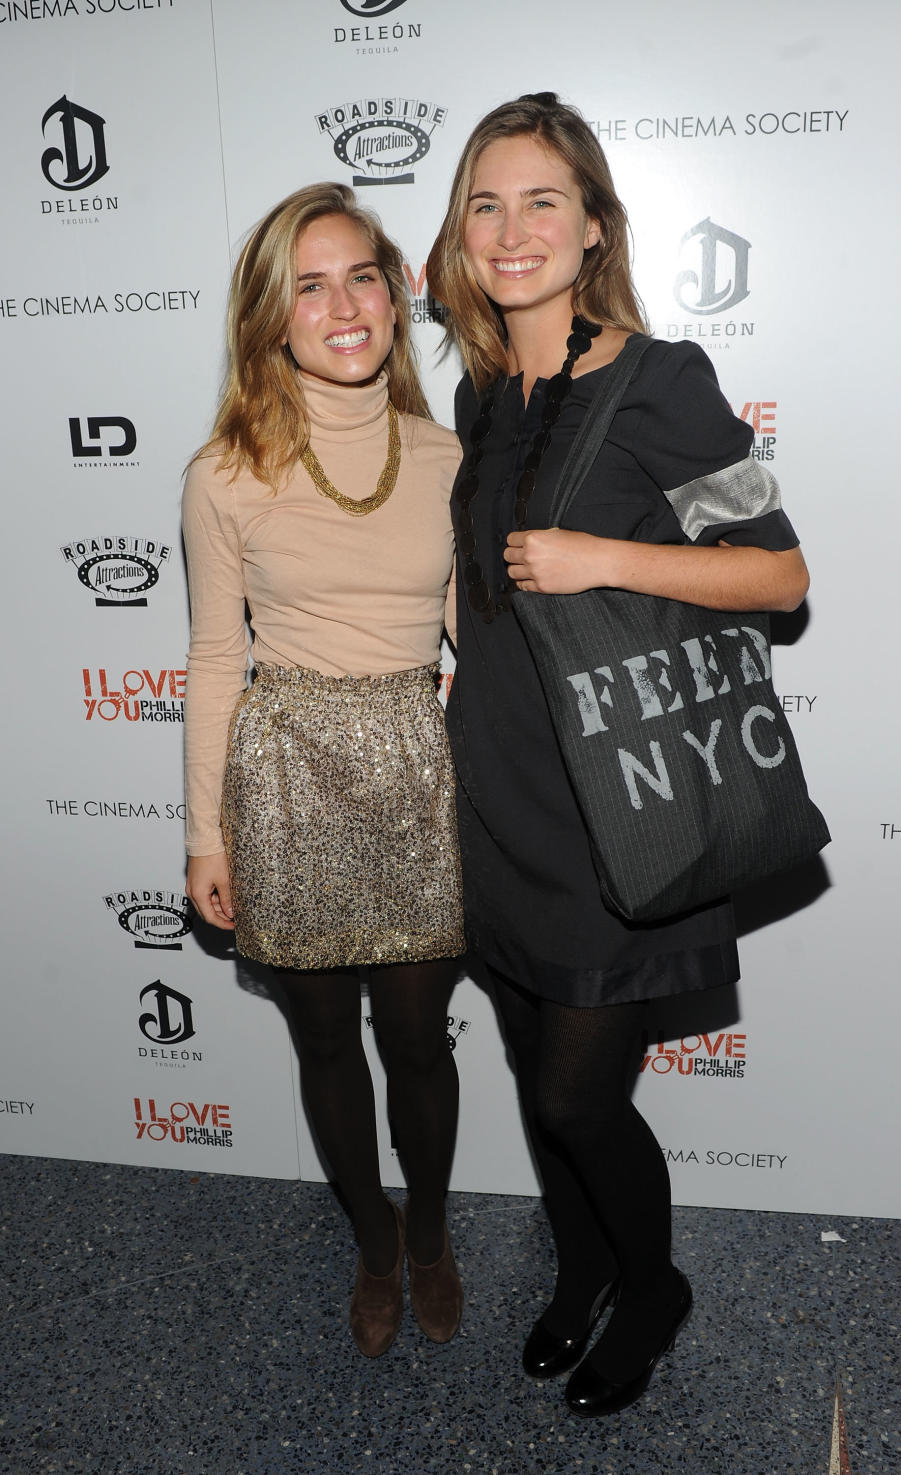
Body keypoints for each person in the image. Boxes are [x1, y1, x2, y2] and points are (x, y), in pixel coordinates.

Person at [426, 94, 809, 1417]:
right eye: (487, 201)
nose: (513, 227)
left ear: (593, 228)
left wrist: (605, 557)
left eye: (543, 200)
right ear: (462, 237)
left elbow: (777, 570)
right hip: (500, 794)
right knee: (540, 1078)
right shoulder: (486, 393)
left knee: (585, 1096)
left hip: (619, 807)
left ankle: (649, 1284)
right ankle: (583, 1263)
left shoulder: (664, 381)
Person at [182, 183, 464, 1359]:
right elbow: (210, 656)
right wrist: (208, 834)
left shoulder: (451, 454)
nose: (341, 304)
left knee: (415, 1037)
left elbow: (480, 641)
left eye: (361, 275)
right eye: (309, 283)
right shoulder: (224, 471)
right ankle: (371, 1238)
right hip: (286, 774)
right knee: (325, 1043)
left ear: (398, 296)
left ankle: (435, 1231)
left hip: (415, 769)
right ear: (271, 317)